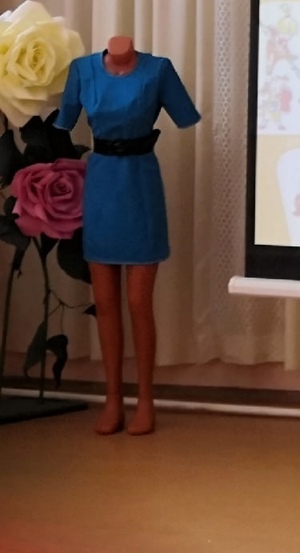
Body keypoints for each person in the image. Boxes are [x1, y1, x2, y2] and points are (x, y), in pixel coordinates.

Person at [55, 36, 201, 435]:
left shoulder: (158, 70)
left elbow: (184, 114)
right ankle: (113, 398)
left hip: (140, 182)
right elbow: (64, 120)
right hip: (102, 183)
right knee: (105, 303)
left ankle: (146, 399)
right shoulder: (82, 70)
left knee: (138, 302)